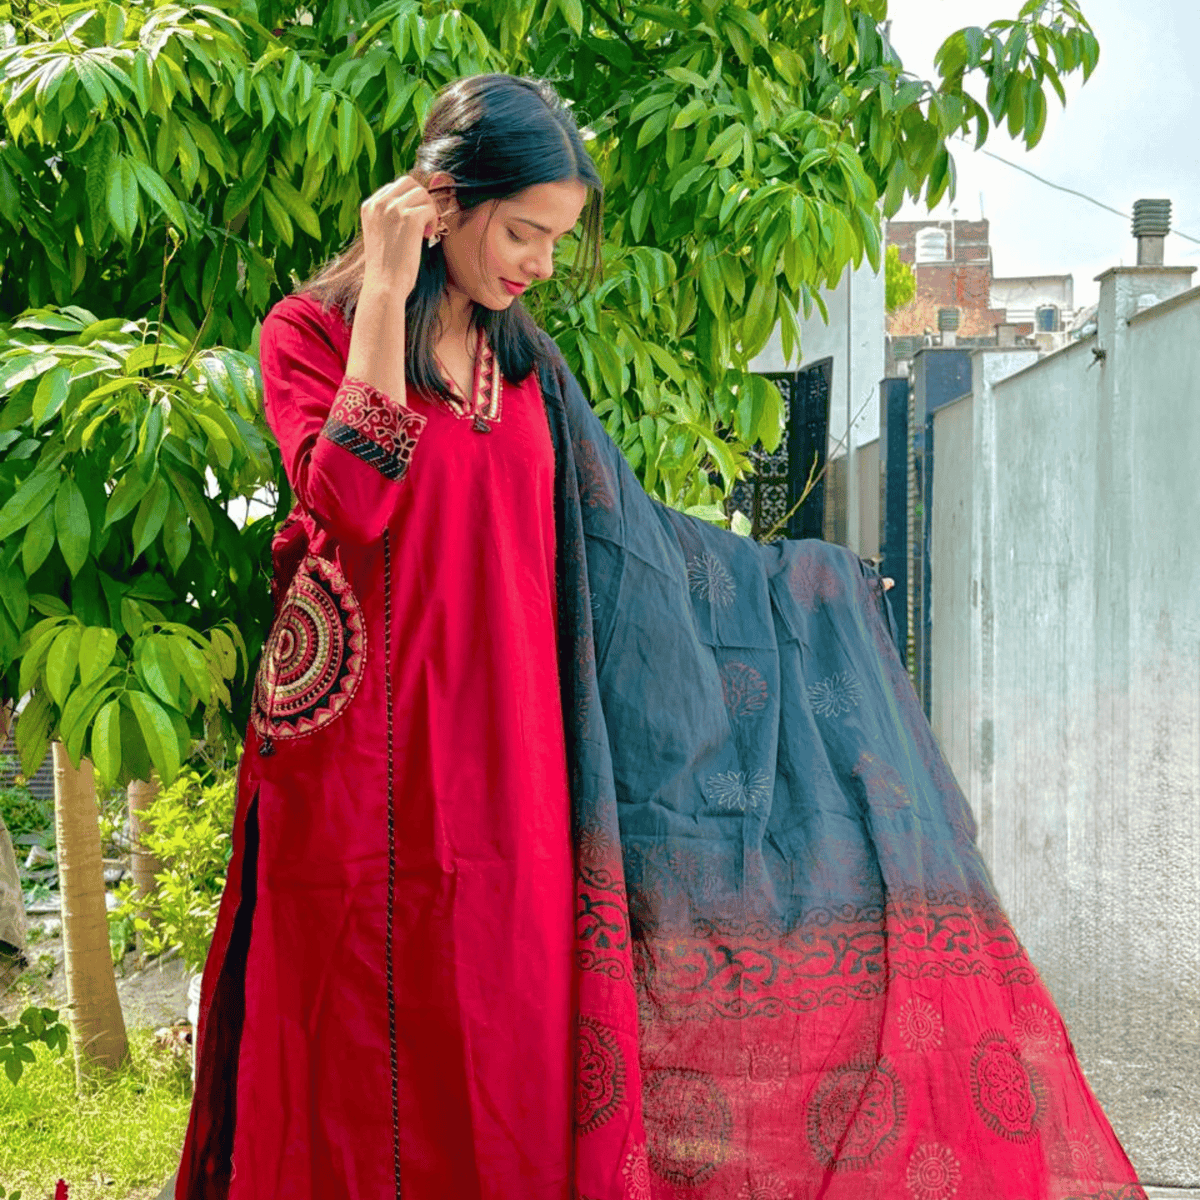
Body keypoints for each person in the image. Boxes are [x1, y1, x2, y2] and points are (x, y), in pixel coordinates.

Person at [176, 74, 1146, 1200]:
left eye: (557, 239)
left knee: (505, 1051)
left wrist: (814, 587)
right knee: (351, 1051)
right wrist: (388, 287)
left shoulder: (528, 375)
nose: (541, 264)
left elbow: (631, 540)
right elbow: (351, 499)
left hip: (513, 762)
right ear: (442, 201)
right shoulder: (312, 334)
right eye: (523, 231)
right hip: (360, 765)